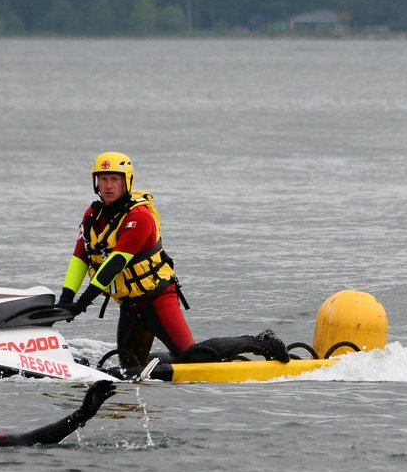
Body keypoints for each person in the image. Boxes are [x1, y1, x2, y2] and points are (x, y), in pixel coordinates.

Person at [57, 150, 289, 376]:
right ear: (95, 183)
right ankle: (164, 361)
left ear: (127, 182)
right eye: (103, 179)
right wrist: (66, 298)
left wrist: (81, 304)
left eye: (115, 180)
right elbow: (80, 257)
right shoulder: (92, 215)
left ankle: (259, 341)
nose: (108, 186)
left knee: (192, 358)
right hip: (130, 306)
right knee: (129, 370)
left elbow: (116, 263)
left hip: (157, 299)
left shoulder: (139, 217)